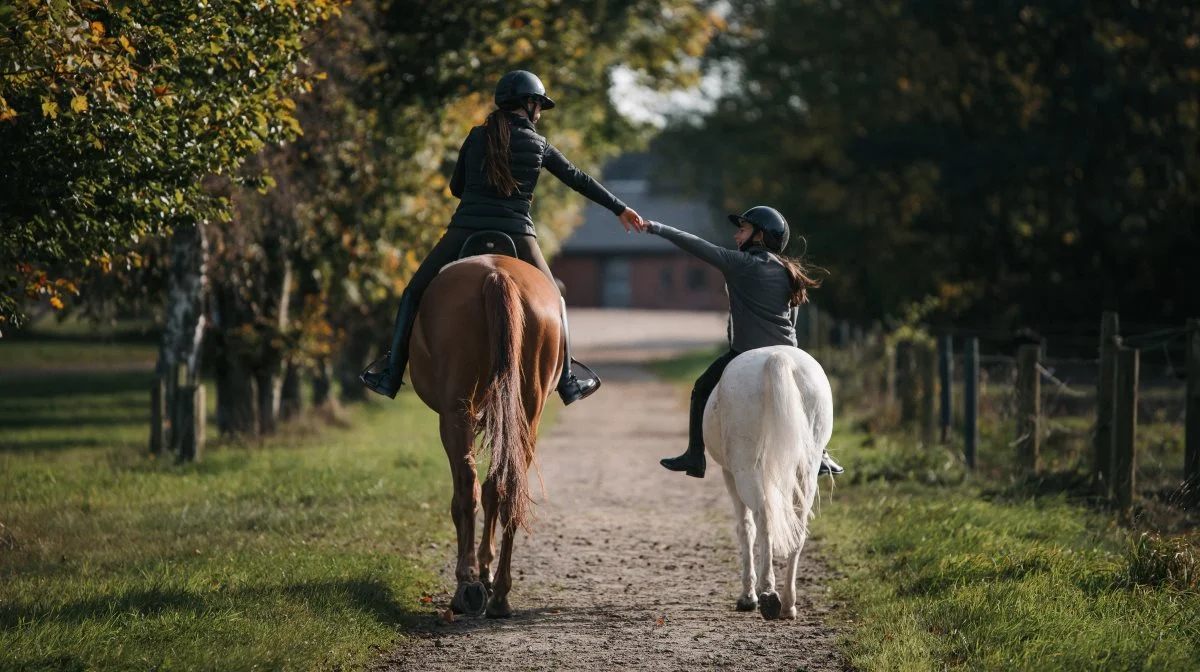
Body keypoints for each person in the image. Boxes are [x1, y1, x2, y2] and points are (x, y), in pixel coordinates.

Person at [360, 70, 644, 403]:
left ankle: (391, 373)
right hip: (518, 233)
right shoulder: (539, 144)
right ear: (529, 104)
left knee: (414, 290)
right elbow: (578, 179)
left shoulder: (477, 136)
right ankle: (567, 379)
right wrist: (620, 208)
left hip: (464, 228)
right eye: (538, 105)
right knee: (555, 299)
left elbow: (456, 188)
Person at [643, 206, 844, 478]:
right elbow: (792, 317)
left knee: (701, 388)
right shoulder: (789, 271)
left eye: (742, 229)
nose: (737, 236)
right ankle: (820, 454)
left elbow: (696, 245)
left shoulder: (739, 264)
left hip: (744, 352)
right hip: (789, 348)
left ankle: (694, 455)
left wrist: (656, 227)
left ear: (759, 236)